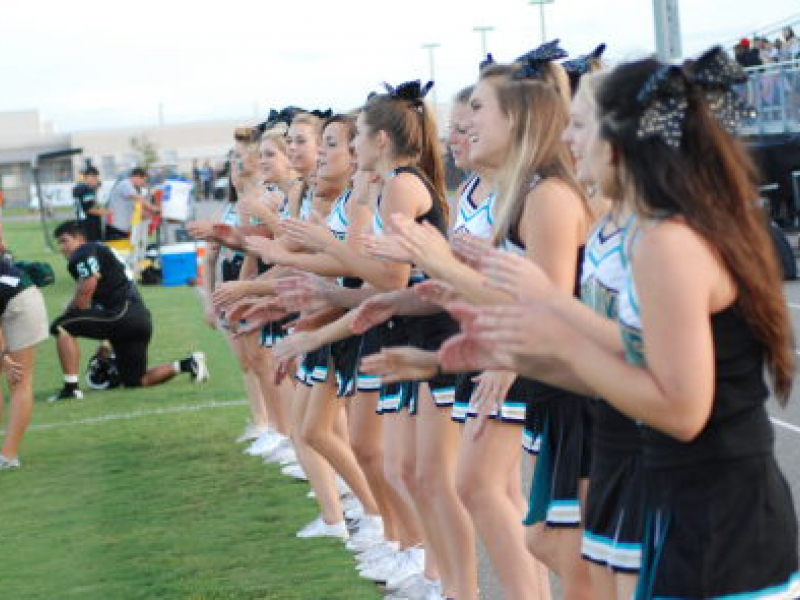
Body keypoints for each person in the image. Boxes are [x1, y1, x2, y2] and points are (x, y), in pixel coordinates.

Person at [48, 221, 209, 401]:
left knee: (62, 326)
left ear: (79, 238)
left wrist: (73, 311)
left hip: (122, 313)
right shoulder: (99, 251)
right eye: (59, 243)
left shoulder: (83, 251)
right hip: (138, 319)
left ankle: (71, 389)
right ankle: (187, 364)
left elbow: (89, 282)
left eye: (64, 241)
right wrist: (104, 343)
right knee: (136, 380)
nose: (62, 248)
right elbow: (100, 304)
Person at [0, 224, 49, 469]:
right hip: (5, 296)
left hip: (21, 300)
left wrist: (3, 356)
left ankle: (8, 457)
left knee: (19, 379)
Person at [105, 167, 159, 241]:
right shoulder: (126, 184)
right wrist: (154, 208)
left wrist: (150, 215)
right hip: (116, 228)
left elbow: (136, 209)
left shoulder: (132, 190)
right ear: (137, 177)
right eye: (143, 180)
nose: (143, 184)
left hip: (124, 229)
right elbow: (139, 199)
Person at [73, 166, 106, 241]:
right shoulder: (87, 190)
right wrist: (107, 212)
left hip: (82, 222)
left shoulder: (81, 189)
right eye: (95, 178)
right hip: (89, 225)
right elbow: (90, 210)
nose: (96, 181)